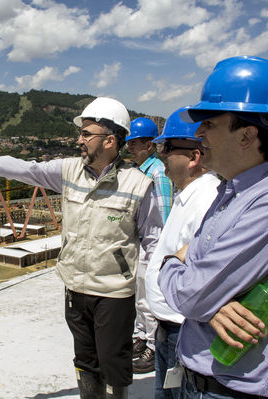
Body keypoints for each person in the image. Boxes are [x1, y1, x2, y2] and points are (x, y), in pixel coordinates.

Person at [0, 97, 163, 399]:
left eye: (86, 134)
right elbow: (23, 169)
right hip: (75, 288)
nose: (78, 140)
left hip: (113, 293)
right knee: (85, 361)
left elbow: (155, 243)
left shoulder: (138, 184)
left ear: (110, 140)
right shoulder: (68, 171)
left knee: (113, 363)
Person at [158, 56, 268, 398]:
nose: (198, 133)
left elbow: (192, 293)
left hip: (236, 391)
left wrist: (170, 264)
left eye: (209, 122)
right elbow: (201, 290)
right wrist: (212, 302)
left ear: (248, 135)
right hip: (208, 383)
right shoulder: (233, 191)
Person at [144, 106, 220, 399]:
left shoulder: (206, 200)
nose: (162, 155)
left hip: (183, 329)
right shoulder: (187, 195)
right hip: (169, 328)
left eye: (168, 147)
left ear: (194, 157)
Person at [125, 117, 173, 373]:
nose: (131, 147)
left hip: (152, 244)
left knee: (149, 296)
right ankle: (141, 336)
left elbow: (164, 212)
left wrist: (162, 251)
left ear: (150, 145)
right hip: (140, 243)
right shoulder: (138, 171)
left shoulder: (158, 172)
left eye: (136, 143)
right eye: (130, 143)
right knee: (139, 297)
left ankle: (153, 347)